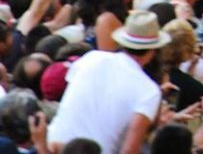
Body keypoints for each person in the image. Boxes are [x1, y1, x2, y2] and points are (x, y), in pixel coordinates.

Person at [47, 10, 168, 152]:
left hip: (52, 147)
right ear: (153, 51)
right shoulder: (149, 90)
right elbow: (130, 150)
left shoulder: (91, 58)